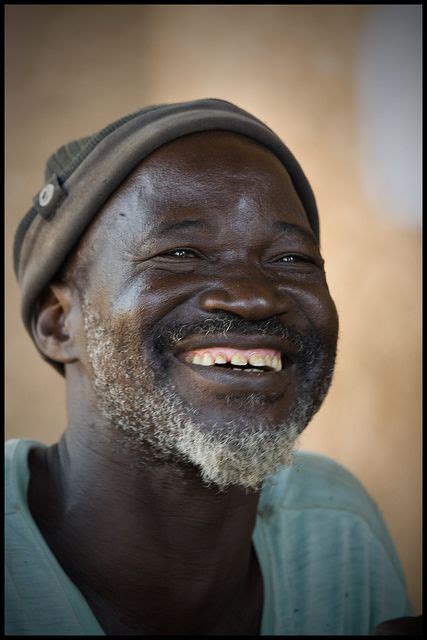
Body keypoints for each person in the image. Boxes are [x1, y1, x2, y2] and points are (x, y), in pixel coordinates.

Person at [6, 99, 418, 636]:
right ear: (59, 323)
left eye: (291, 260)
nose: (252, 298)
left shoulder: (334, 526)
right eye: (180, 254)